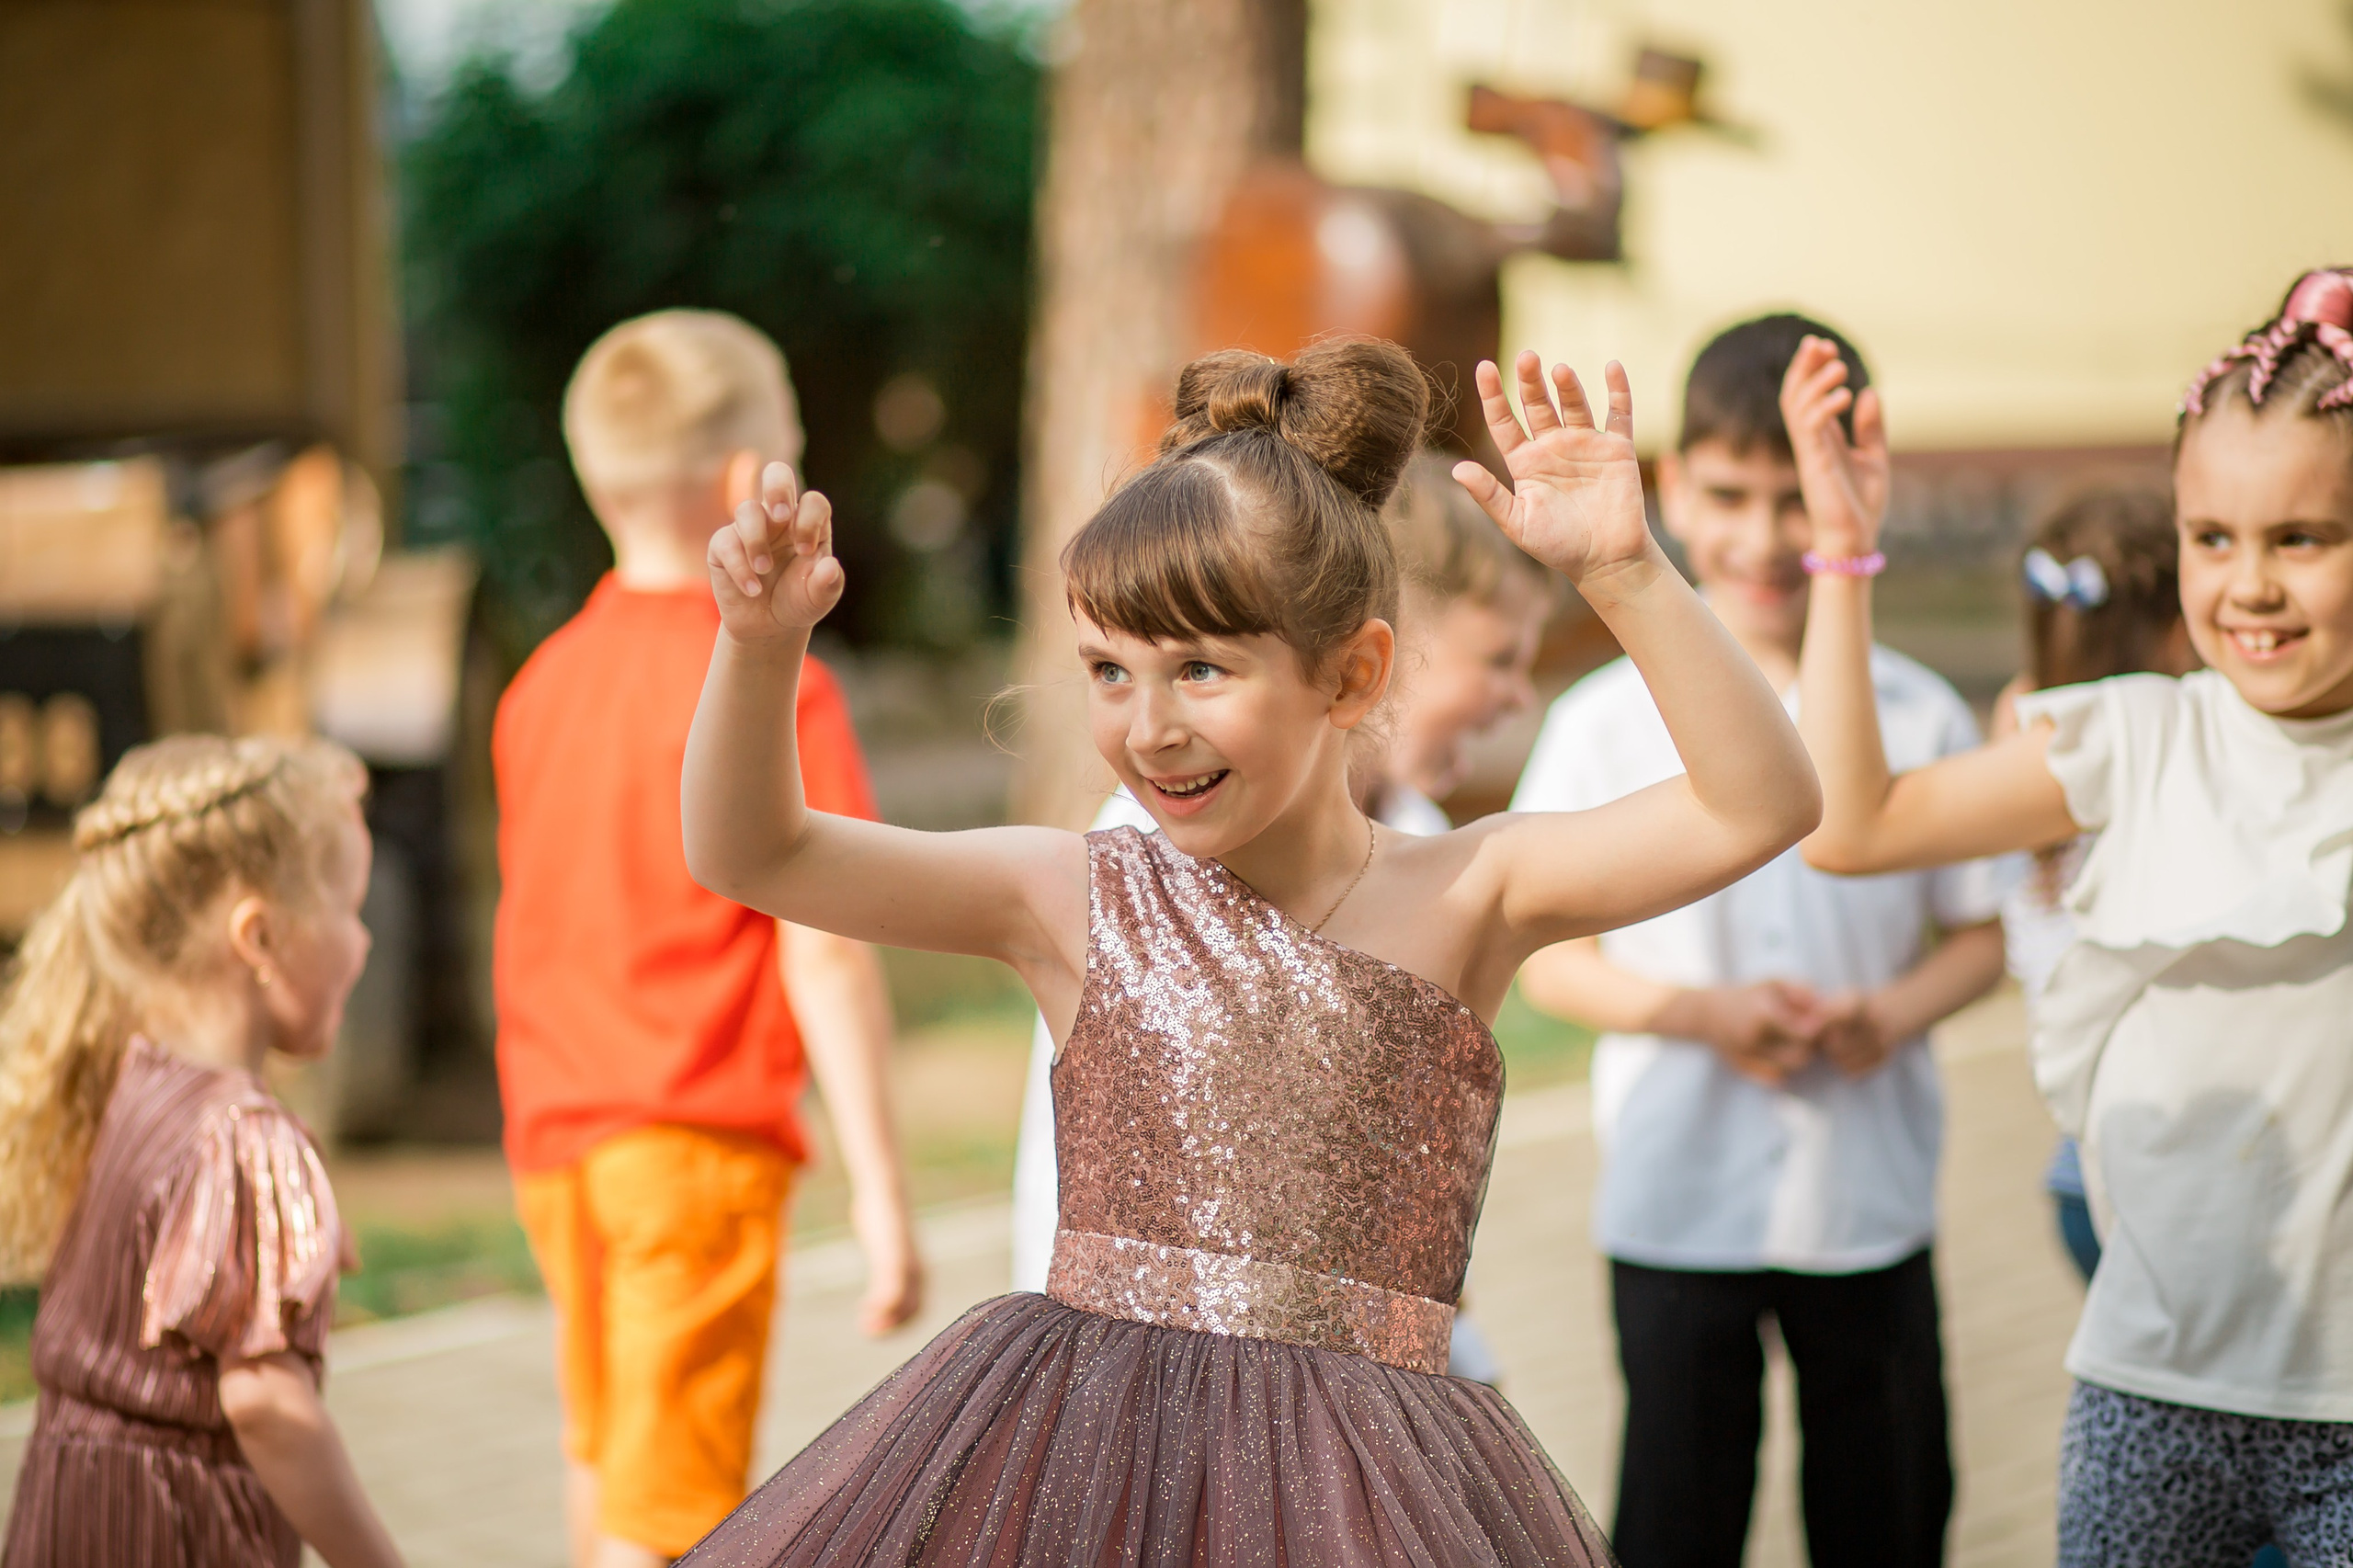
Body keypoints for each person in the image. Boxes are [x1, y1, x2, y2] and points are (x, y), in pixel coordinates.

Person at [675, 335, 1820, 1564]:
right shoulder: (1067, 894)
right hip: (1092, 1467)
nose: (1151, 726)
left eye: (1202, 668)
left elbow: (1761, 802)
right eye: (1111, 669)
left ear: (1350, 673)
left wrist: (1629, 573)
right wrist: (754, 648)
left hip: (1362, 1492)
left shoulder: (1471, 886)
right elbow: (757, 854)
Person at [1788, 267, 2353, 1568]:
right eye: (2213, 537)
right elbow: (1851, 823)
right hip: (2145, 1392)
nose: (2249, 584)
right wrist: (1843, 552)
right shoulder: (2132, 736)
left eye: (2301, 538)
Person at [1509, 313, 2008, 1568]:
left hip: (1870, 1197)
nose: (1765, 535)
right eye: (1731, 493)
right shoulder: (1601, 720)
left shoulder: (1917, 709)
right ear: (1673, 485)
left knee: (1887, 1506)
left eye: (1798, 497)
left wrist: (1889, 1014)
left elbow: (1982, 932)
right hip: (1682, 1200)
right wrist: (1699, 1014)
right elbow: (1544, 952)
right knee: (1680, 1513)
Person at [494, 309, 922, 1568]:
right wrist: (884, 1195)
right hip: (692, 1140)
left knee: (611, 1467)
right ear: (755, 484)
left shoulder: (542, 682)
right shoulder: (773, 681)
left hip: (555, 1140)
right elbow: (829, 940)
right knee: (670, 1516)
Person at [1004, 451, 1553, 1392]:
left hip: (1354, 1374)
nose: (1517, 696)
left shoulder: (1430, 846)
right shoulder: (1150, 853)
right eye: (1497, 657)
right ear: (1383, 650)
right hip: (1151, 1365)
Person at [0, 734, 403, 1568]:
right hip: (171, 1532)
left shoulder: (137, 1086)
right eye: (349, 909)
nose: (363, 945)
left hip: (72, 1515)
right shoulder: (243, 1137)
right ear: (259, 936)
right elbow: (266, 1405)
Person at [1987, 486, 2191, 1283]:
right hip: (2167, 1175)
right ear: (2177, 632)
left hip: (2074, 1166)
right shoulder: (2173, 741)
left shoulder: (2017, 726)